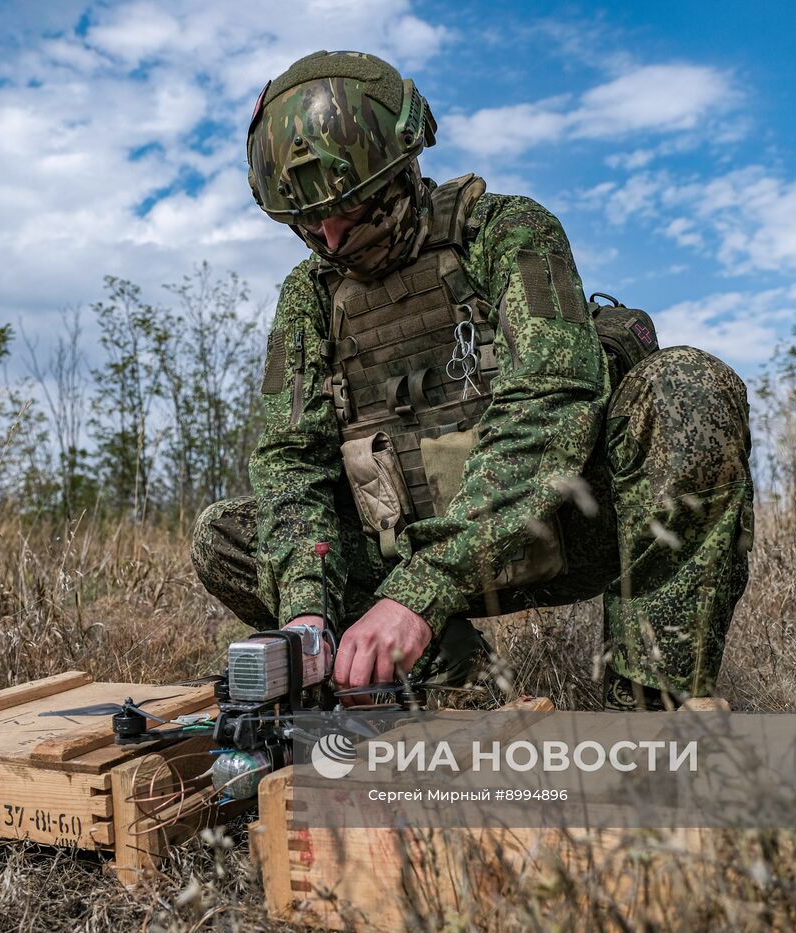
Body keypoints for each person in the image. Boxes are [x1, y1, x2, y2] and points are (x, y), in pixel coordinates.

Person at [191, 50, 754, 710]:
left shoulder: (509, 234)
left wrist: (421, 590)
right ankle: (453, 679)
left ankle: (652, 705)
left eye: (351, 210)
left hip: (566, 527)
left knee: (690, 388)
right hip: (402, 547)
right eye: (310, 223)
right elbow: (291, 460)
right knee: (226, 534)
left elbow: (548, 409)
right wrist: (307, 609)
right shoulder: (310, 297)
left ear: (400, 171)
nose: (331, 239)